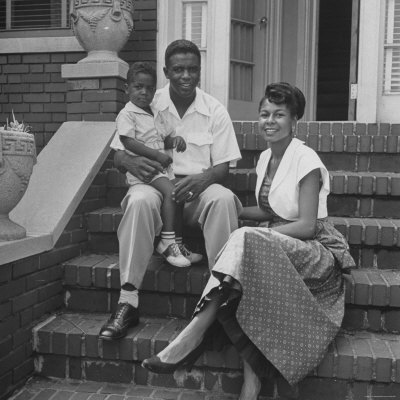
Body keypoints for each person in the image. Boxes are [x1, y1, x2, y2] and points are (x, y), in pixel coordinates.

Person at [142, 82, 355, 400]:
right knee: (246, 279)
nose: (270, 120)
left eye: (279, 114)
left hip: (315, 250)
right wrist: (239, 211)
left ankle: (195, 332)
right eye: (265, 114)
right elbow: (270, 209)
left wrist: (254, 234)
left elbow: (308, 225)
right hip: (279, 240)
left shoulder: (306, 159)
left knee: (244, 246)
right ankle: (251, 385)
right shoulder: (266, 158)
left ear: (294, 120)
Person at [98, 39, 242, 341]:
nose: (186, 76)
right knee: (138, 200)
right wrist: (131, 163)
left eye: (192, 69)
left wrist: (202, 181)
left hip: (196, 194)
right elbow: (118, 153)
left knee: (224, 198)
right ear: (167, 71)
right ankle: (128, 301)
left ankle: (220, 300)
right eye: (178, 69)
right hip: (157, 186)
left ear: (200, 72)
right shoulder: (145, 99)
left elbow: (224, 168)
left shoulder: (214, 110)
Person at [114, 61, 194, 268]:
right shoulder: (127, 114)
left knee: (180, 194)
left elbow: (162, 138)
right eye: (138, 87)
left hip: (162, 170)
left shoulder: (156, 113)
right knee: (172, 193)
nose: (144, 92)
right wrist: (156, 156)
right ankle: (166, 241)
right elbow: (127, 142)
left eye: (149, 88)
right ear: (127, 89)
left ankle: (178, 243)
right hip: (145, 170)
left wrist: (175, 141)